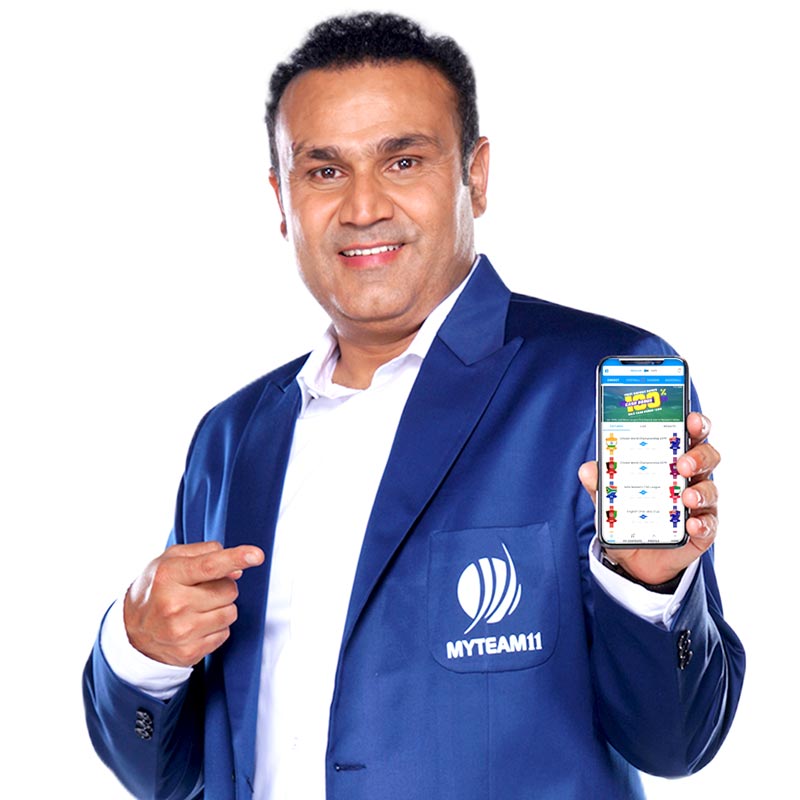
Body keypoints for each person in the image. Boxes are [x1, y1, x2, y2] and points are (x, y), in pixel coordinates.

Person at [83, 12, 745, 800]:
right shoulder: (232, 437)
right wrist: (140, 653)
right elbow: (168, 776)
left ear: (476, 176)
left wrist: (649, 590)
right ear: (281, 198)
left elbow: (675, 742)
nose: (363, 206)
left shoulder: (601, 383)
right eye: (324, 171)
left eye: (403, 161)